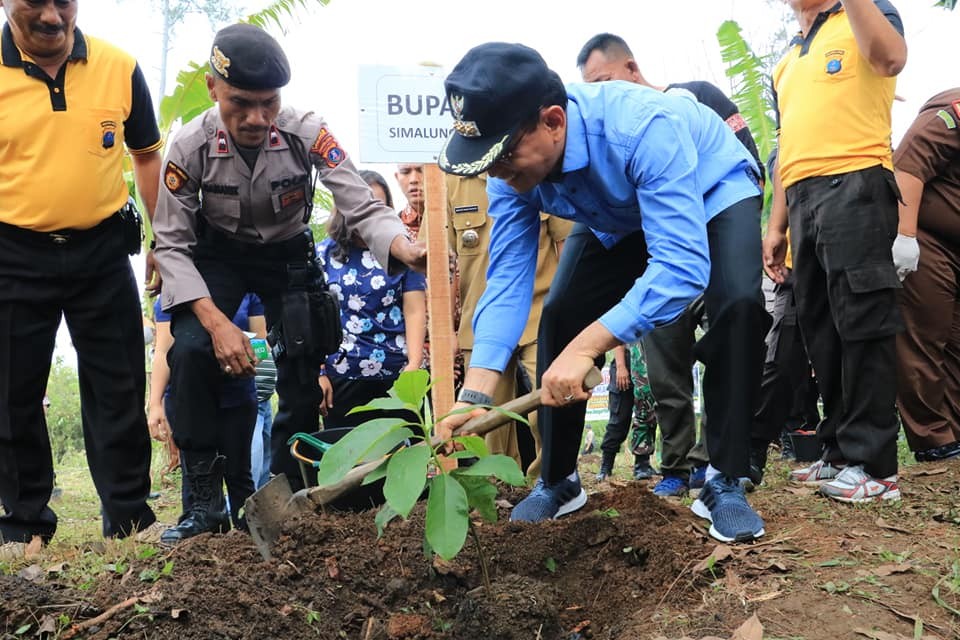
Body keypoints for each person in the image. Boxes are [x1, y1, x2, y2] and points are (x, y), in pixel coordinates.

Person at [435, 43, 768, 543]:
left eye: (504, 157)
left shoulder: (641, 125)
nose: (496, 174)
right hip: (619, 214)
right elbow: (506, 283)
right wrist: (475, 394)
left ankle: (724, 479)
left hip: (710, 188)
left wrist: (590, 347)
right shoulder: (510, 174)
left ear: (553, 122)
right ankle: (559, 480)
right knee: (562, 313)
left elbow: (680, 267)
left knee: (738, 303)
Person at [152, 23, 425, 540]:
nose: (257, 118)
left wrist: (405, 247)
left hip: (287, 254)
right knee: (189, 352)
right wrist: (216, 325)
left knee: (302, 361)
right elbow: (171, 245)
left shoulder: (307, 132)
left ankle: (284, 494)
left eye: (269, 103)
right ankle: (203, 504)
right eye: (241, 103)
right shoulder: (188, 148)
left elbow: (361, 204)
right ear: (212, 89)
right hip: (216, 257)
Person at [577, 32, 765, 497]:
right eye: (591, 88)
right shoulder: (615, 139)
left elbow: (745, 160)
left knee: (733, 328)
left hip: (716, 241)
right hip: (662, 252)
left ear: (632, 69)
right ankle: (677, 465)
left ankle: (720, 462)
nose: (602, 95)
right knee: (663, 358)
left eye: (604, 81)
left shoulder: (699, 97)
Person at [0, 0, 158, 544]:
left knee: (119, 385)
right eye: (33, 3)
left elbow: (145, 154)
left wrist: (160, 241)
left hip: (102, 249)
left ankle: (130, 517)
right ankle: (24, 526)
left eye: (62, 2)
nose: (51, 16)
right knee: (11, 391)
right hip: (12, 252)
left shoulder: (119, 66)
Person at [763, 0, 907, 503]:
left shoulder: (867, 14)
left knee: (863, 321)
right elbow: (784, 145)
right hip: (802, 198)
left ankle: (876, 465)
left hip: (858, 181)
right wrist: (776, 223)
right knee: (821, 329)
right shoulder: (785, 60)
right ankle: (842, 450)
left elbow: (891, 60)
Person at [446, 173, 572, 477]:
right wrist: (446, 329)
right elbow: (441, 262)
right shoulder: (450, 183)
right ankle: (499, 497)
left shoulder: (532, 169)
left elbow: (566, 245)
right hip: (481, 324)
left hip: (539, 315)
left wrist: (572, 319)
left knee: (550, 411)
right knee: (484, 424)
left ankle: (550, 487)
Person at [317, 171, 427, 429]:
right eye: (361, 205)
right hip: (341, 378)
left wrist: (413, 365)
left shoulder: (404, 251)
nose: (368, 214)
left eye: (377, 206)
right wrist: (319, 372)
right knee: (350, 461)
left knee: (400, 459)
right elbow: (314, 320)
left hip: (396, 376)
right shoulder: (323, 254)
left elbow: (414, 310)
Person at [148, 295, 261, 543]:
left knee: (239, 473)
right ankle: (198, 546)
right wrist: (155, 403)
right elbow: (164, 352)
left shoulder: (246, 294)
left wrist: (240, 356)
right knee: (196, 476)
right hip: (187, 400)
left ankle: (249, 541)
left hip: (237, 395)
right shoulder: (172, 297)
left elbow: (261, 342)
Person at [892, 88, 960, 463]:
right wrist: (905, 236)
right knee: (924, 336)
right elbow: (909, 165)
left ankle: (956, 434)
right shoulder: (954, 109)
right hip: (927, 239)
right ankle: (933, 441)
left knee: (957, 345)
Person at [595, 345, 657, 482]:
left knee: (646, 413)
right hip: (625, 361)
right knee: (619, 418)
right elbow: (619, 337)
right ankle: (606, 466)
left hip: (647, 360)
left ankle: (642, 465)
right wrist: (621, 366)